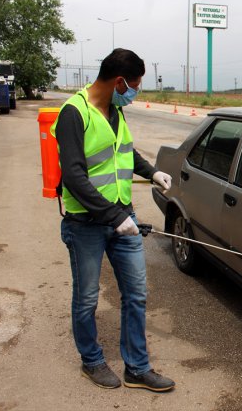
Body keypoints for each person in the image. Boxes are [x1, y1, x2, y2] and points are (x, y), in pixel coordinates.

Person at [52, 49, 175, 392]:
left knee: (136, 294)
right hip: (86, 224)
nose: (136, 92)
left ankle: (137, 367)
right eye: (135, 85)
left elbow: (124, 152)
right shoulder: (74, 113)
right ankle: (91, 361)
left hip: (122, 218)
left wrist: (152, 172)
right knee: (87, 298)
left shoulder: (116, 109)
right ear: (120, 81)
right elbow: (74, 177)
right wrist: (112, 216)